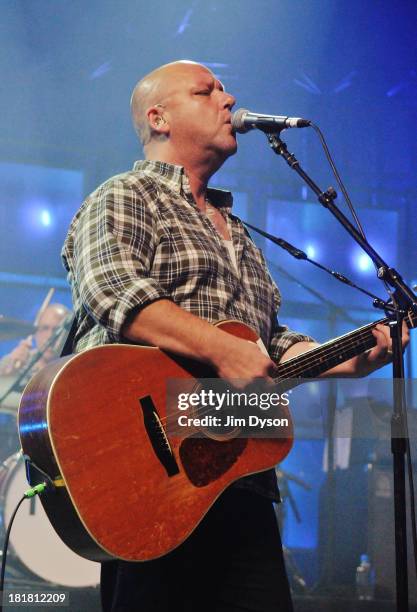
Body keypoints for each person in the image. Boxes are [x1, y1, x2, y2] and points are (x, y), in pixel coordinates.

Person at [61, 60, 409, 612]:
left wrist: (351, 358)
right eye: (208, 91)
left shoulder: (241, 234)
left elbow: (267, 349)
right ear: (159, 118)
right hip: (148, 477)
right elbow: (113, 291)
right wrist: (222, 348)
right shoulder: (125, 195)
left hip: (242, 480)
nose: (229, 99)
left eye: (224, 89)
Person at [0, 303, 70, 377]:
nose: (50, 336)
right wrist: (10, 373)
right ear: (35, 332)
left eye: (57, 330)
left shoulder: (73, 365)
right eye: (45, 328)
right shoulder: (11, 362)